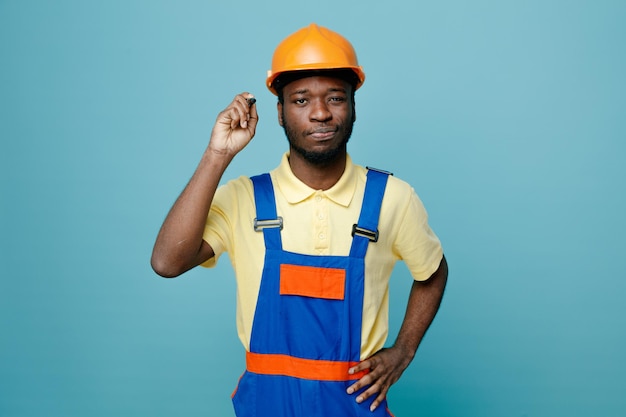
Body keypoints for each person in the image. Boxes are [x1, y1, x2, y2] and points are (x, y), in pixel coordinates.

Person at [151, 23, 448, 417]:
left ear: (354, 105)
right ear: (279, 112)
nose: (321, 113)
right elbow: (167, 263)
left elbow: (433, 271)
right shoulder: (246, 200)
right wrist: (217, 154)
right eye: (302, 100)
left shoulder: (392, 199)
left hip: (356, 405)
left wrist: (403, 351)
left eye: (336, 98)